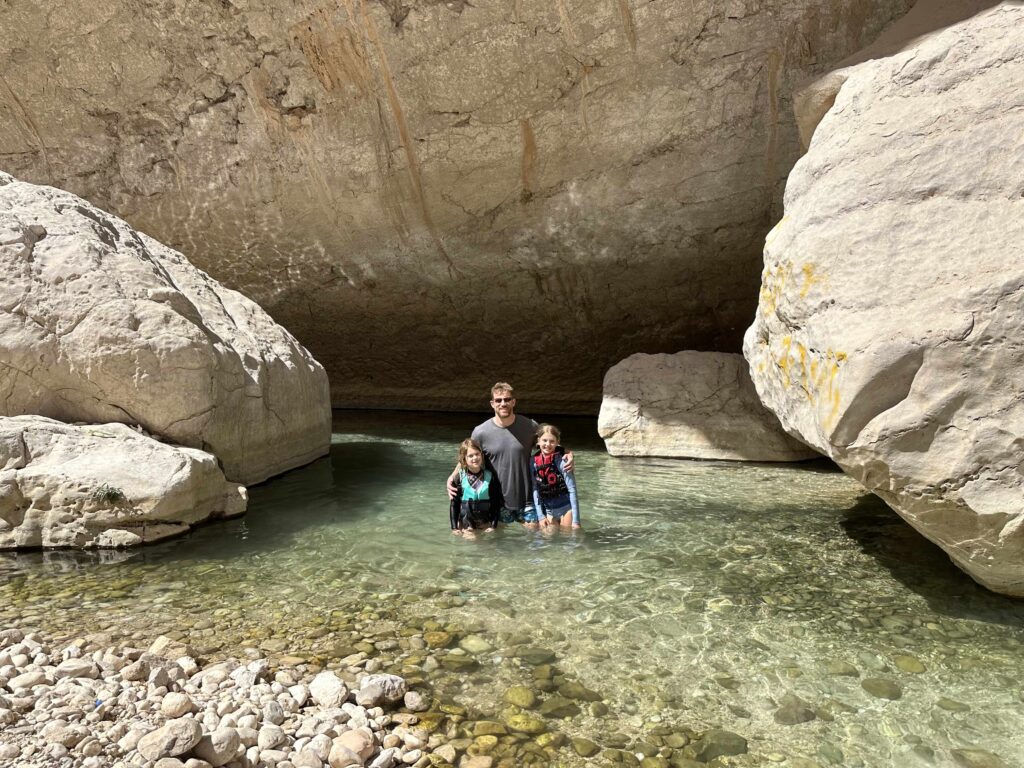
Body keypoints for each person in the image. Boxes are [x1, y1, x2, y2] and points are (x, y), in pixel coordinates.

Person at [446, 382, 573, 530]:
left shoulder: (530, 426)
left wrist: (569, 454)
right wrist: (451, 477)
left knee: (538, 540)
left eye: (507, 399)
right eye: (498, 400)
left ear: (513, 402)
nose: (503, 403)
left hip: (527, 500)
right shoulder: (480, 432)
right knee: (497, 544)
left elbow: (549, 444)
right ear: (492, 404)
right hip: (497, 502)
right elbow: (468, 457)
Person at [531, 424, 581, 530]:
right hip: (549, 511)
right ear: (538, 441)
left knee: (568, 538)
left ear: (557, 442)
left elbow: (572, 490)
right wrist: (540, 516)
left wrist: (576, 521)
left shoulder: (563, 461)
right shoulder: (532, 462)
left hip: (567, 509)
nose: (547, 444)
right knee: (548, 539)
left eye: (552, 441)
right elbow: (535, 489)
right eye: (544, 440)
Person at [449, 438, 499, 538]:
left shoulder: (490, 476)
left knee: (487, 546)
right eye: (470, 456)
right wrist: (454, 528)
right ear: (464, 459)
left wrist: (493, 525)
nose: (474, 458)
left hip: (484, 522)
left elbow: (495, 503)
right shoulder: (459, 477)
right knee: (472, 541)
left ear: (482, 455)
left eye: (477, 454)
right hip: (466, 523)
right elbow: (454, 505)